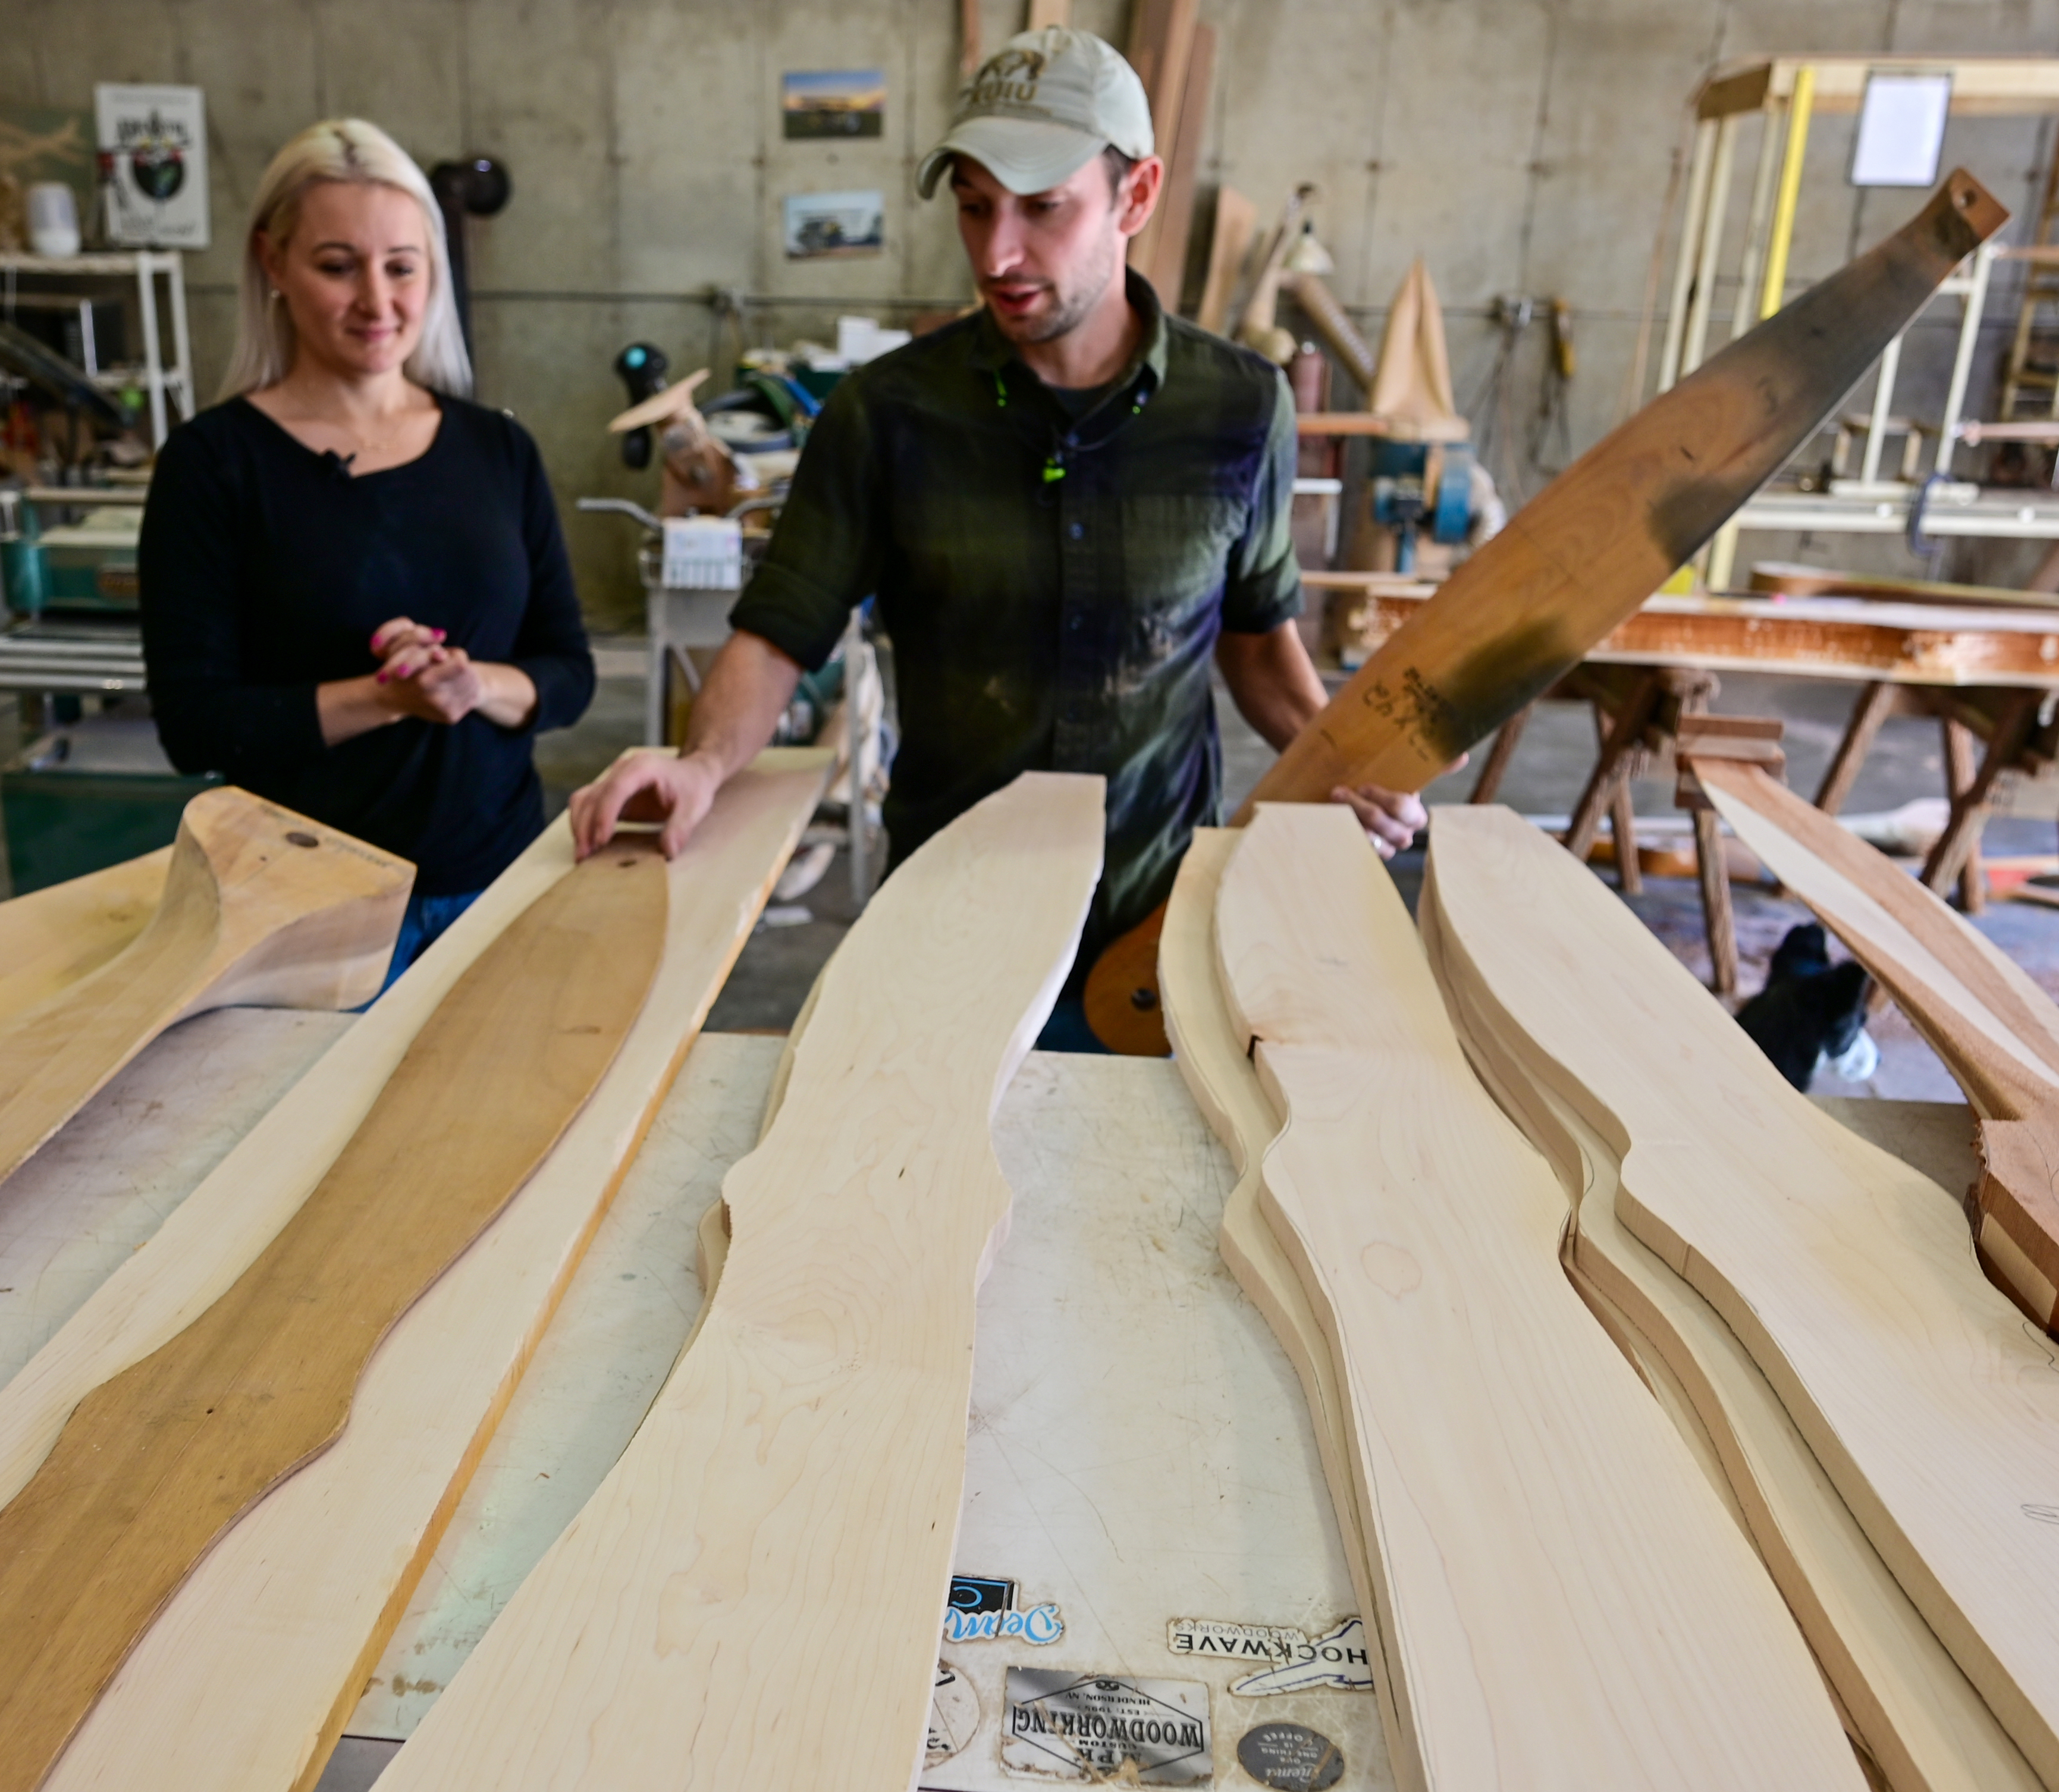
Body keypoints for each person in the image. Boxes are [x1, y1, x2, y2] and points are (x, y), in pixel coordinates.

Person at [567, 27, 1424, 1048]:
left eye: (1043, 208)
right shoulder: (885, 416)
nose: (996, 253)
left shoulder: (1241, 407)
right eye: (974, 206)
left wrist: (1338, 761)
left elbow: (1253, 633)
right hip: (943, 924)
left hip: (1158, 934)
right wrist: (704, 763)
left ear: (1137, 198)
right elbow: (781, 629)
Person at [143, 118, 592, 978]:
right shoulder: (215, 464)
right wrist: (386, 698)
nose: (378, 303)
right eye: (337, 266)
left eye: (402, 266)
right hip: (302, 912)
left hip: (494, 891)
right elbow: (193, 723)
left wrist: (472, 685)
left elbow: (568, 668)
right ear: (272, 263)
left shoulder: (499, 450)